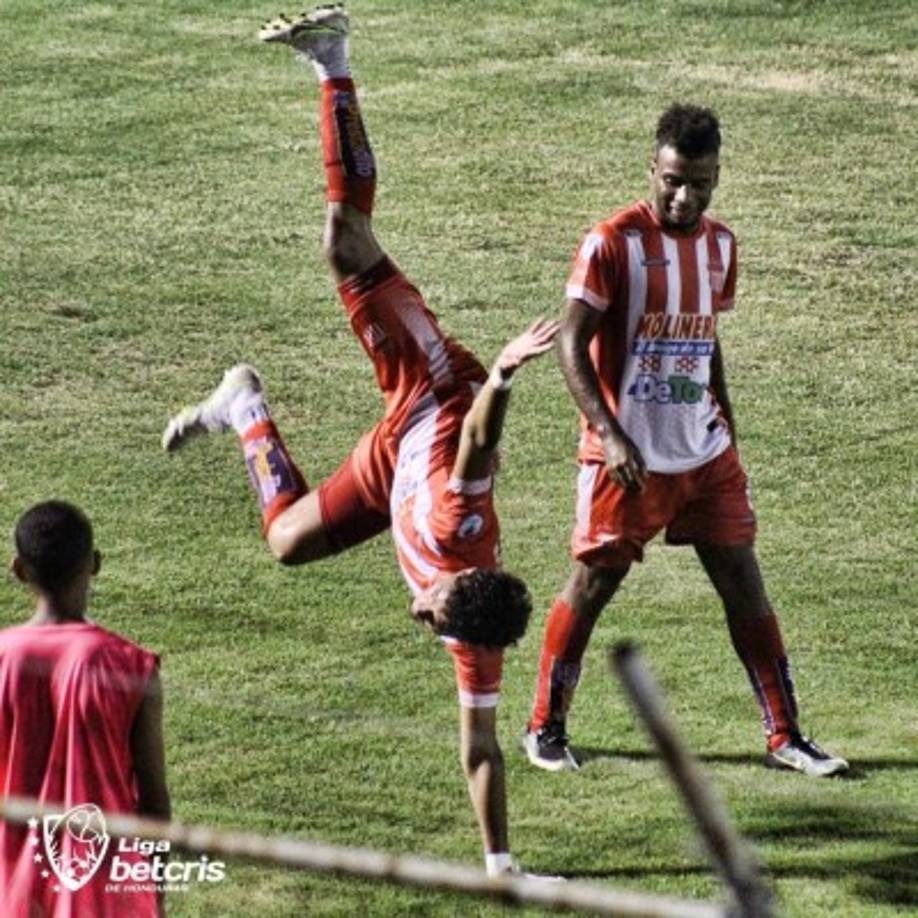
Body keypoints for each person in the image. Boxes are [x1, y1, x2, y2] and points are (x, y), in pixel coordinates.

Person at [162, 6, 558, 877]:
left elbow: (482, 749)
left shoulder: (474, 633)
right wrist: (498, 377)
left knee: (286, 543)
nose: (419, 613)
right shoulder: (461, 527)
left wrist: (501, 867)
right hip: (434, 390)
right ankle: (333, 61)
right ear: (464, 579)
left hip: (393, 473)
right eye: (435, 607)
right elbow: (479, 449)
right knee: (345, 241)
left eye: (434, 624)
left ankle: (243, 404)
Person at [522, 104, 849, 778]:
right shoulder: (611, 243)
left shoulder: (721, 247)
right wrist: (610, 435)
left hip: (705, 454)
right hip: (630, 459)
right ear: (652, 168)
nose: (684, 195)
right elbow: (572, 346)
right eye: (673, 180)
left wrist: (726, 418)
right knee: (592, 585)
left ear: (717, 177)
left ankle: (786, 734)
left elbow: (705, 337)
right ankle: (544, 727)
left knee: (746, 588)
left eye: (700, 183)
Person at [0, 501, 170, 916]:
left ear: (20, 570)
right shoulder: (131, 666)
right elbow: (153, 805)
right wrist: (155, 894)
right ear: (94, 563)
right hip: (110, 897)